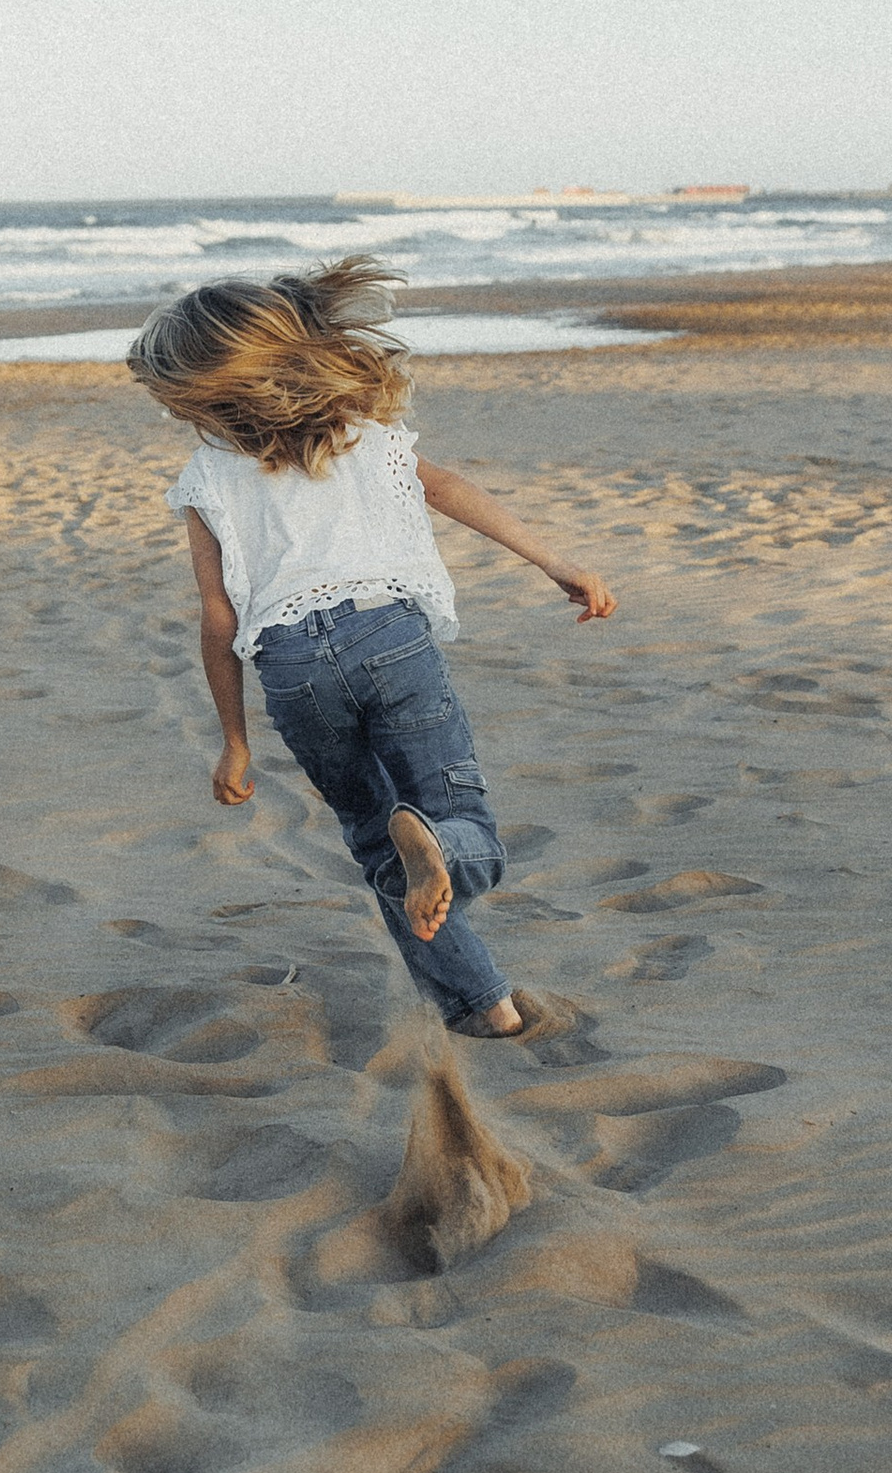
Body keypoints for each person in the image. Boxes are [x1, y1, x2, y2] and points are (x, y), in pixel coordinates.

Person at [130, 259, 615, 1038]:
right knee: (465, 829)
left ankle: (484, 1005)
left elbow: (217, 618)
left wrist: (234, 740)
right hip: (388, 637)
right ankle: (441, 851)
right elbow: (450, 488)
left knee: (374, 839)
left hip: (290, 668)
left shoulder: (205, 480)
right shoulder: (360, 432)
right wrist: (553, 561)